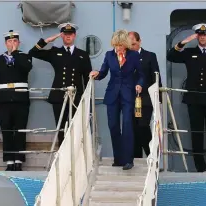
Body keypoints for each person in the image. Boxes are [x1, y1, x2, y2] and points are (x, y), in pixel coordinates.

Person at [166, 23, 206, 172]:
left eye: (205, 34)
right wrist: (183, 42)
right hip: (194, 100)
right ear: (197, 36)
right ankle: (200, 168)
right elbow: (171, 56)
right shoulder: (189, 52)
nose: (202, 37)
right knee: (197, 134)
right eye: (200, 35)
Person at [29, 22, 92, 147]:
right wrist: (47, 40)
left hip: (76, 97)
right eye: (65, 34)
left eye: (71, 34)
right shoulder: (54, 52)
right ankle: (63, 158)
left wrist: (86, 99)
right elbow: (33, 52)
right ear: (62, 36)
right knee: (61, 128)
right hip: (59, 96)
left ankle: (76, 156)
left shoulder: (82, 55)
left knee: (77, 128)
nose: (68, 36)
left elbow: (87, 78)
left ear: (75, 35)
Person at [90, 29, 144, 170]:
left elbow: (141, 74)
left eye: (120, 45)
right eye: (116, 45)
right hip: (112, 94)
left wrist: (139, 84)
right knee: (113, 126)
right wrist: (96, 74)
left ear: (125, 44)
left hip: (128, 94)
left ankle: (128, 160)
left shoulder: (133, 56)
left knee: (127, 125)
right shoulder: (109, 55)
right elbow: (103, 73)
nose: (118, 48)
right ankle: (118, 158)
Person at [0, 30, 33, 171]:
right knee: (7, 131)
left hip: (20, 100)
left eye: (15, 41)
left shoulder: (25, 57)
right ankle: (9, 161)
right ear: (5, 43)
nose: (12, 43)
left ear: (18, 43)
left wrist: (15, 54)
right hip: (3, 101)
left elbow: (26, 68)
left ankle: (18, 160)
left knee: (20, 131)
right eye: (9, 41)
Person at [128, 31, 162, 158]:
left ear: (139, 41)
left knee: (143, 125)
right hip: (130, 99)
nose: (131, 46)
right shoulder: (125, 57)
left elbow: (156, 77)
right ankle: (136, 157)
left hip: (146, 99)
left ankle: (151, 154)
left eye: (133, 43)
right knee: (133, 128)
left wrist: (159, 98)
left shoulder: (149, 56)